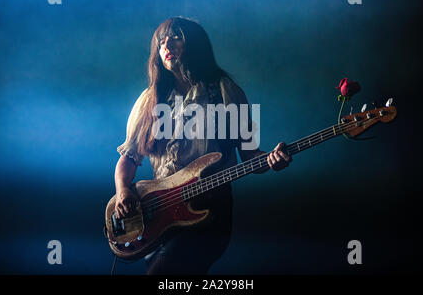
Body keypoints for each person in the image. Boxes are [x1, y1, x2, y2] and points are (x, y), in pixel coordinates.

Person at [114, 17, 291, 274]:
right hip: (161, 215)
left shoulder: (225, 91)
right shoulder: (148, 100)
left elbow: (251, 154)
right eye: (161, 42)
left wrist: (272, 160)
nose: (166, 45)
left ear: (194, 44)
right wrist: (122, 191)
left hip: (210, 210)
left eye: (175, 37)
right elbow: (128, 158)